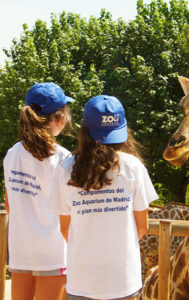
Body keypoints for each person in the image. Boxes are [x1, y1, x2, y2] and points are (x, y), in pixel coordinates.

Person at [50, 95, 158, 299]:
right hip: (123, 279)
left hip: (82, 280)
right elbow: (142, 227)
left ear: (85, 130)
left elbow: (65, 228)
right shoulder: (133, 166)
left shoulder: (65, 168)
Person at [3, 82, 73, 300]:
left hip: (21, 250)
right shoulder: (64, 159)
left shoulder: (12, 154)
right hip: (53, 253)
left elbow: (9, 204)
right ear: (59, 119)